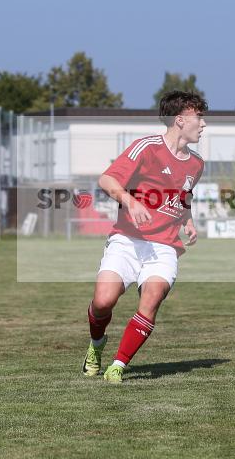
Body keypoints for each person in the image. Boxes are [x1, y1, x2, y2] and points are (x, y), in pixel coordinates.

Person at [82, 90, 207, 384]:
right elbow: (107, 179)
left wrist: (188, 220)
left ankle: (118, 365)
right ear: (180, 119)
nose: (203, 124)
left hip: (164, 246)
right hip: (127, 240)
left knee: (151, 298)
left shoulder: (196, 163)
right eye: (198, 118)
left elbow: (184, 196)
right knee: (103, 301)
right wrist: (130, 200)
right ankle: (96, 346)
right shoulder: (146, 148)